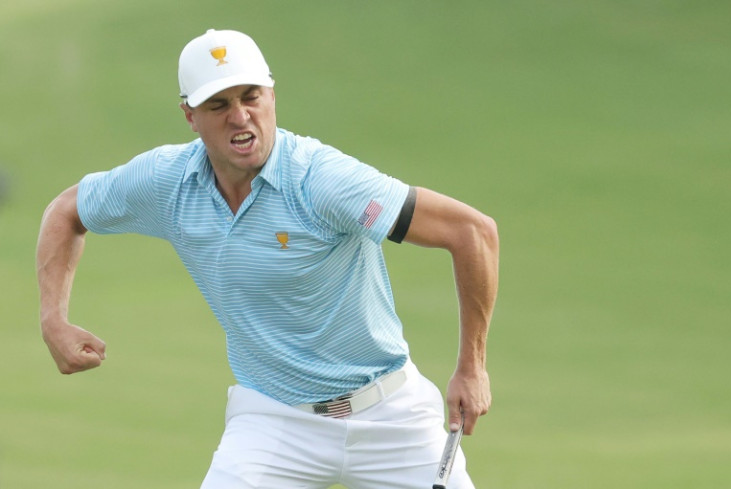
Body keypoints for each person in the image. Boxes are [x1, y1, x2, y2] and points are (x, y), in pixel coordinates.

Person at [36, 29, 499, 489]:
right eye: (219, 105)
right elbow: (66, 211)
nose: (240, 116)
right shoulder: (167, 183)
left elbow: (472, 232)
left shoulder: (324, 181)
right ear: (190, 116)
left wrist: (472, 366)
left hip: (391, 417)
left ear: (272, 96)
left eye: (251, 97)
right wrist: (53, 320)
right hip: (274, 419)